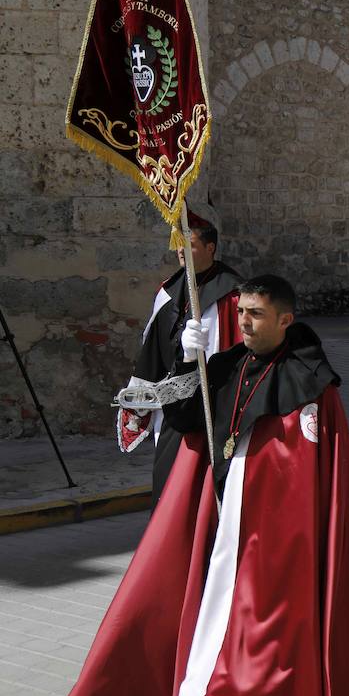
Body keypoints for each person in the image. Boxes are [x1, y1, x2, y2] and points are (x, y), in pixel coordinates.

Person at [68, 275, 349, 696]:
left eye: (256, 314)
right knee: (213, 633)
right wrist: (186, 361)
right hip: (220, 527)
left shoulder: (311, 383)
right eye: (241, 311)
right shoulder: (224, 367)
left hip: (276, 541)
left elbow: (311, 472)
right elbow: (187, 424)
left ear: (285, 320)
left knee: (262, 643)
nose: (243, 321)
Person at [117, 214, 242, 504]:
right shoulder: (167, 291)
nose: (181, 252)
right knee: (169, 475)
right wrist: (139, 397)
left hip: (211, 405)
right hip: (171, 404)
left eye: (190, 245)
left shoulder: (232, 294)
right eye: (178, 246)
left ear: (211, 248)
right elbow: (151, 351)